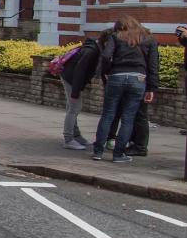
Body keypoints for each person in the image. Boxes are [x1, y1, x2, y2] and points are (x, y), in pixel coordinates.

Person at [91, 15, 158, 163]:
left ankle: (98, 151)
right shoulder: (148, 39)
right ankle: (118, 154)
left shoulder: (116, 37)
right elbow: (153, 65)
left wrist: (107, 72)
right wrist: (152, 88)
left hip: (116, 76)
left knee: (108, 114)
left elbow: (106, 56)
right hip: (138, 78)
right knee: (128, 118)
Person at [59, 34, 102, 150]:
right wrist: (75, 92)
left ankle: (76, 136)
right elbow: (79, 71)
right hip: (70, 78)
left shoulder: (92, 48)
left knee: (73, 107)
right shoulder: (91, 52)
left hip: (69, 76)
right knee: (74, 108)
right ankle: (68, 139)